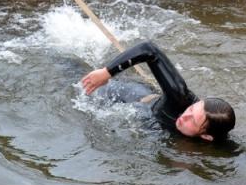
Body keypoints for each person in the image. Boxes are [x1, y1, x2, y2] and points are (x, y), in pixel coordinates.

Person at [80, 40, 236, 142]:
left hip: (144, 121)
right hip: (132, 96)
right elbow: (149, 49)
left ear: (206, 136)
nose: (184, 116)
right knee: (79, 83)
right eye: (191, 109)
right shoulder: (180, 96)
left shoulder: (216, 140)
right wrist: (107, 72)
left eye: (192, 120)